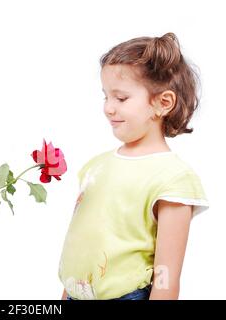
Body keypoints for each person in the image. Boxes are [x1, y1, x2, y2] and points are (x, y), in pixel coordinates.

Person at [58, 33, 209, 300]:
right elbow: (83, 250)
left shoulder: (173, 179)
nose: (107, 108)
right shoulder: (96, 167)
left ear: (163, 103)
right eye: (105, 96)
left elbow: (166, 278)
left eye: (121, 98)